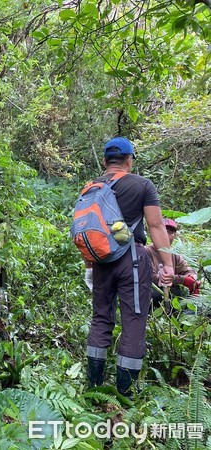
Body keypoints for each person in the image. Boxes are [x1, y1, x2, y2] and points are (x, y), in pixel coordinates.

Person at [83, 137, 174, 397]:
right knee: (133, 320)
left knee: (100, 318)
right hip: (131, 260)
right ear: (129, 160)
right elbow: (156, 226)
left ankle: (95, 387)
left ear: (105, 161)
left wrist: (89, 264)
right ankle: (125, 392)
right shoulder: (143, 185)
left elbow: (86, 229)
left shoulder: (91, 187)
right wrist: (167, 265)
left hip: (100, 261)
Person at [145, 218, 200, 307]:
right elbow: (150, 277)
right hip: (152, 292)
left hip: (172, 293)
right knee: (154, 293)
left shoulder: (174, 254)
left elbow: (187, 269)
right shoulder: (145, 251)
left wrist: (192, 278)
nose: (166, 235)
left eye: (170, 232)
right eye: (163, 230)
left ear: (174, 235)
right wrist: (182, 280)